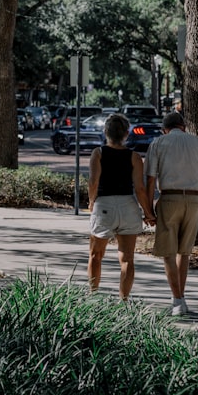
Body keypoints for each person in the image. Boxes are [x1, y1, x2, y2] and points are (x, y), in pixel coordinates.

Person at [143, 111, 198, 316]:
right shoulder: (195, 142)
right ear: (183, 126)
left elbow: (149, 180)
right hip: (193, 199)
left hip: (169, 198)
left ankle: (178, 301)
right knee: (183, 252)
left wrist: (148, 210)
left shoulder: (158, 143)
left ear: (164, 129)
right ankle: (180, 298)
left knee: (168, 252)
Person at [87, 113, 153, 301]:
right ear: (126, 133)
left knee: (95, 255)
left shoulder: (98, 153)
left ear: (105, 132)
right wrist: (148, 213)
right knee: (127, 259)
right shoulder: (134, 157)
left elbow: (93, 182)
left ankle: (93, 295)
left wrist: (92, 202)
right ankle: (123, 300)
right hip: (127, 206)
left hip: (104, 205)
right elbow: (140, 189)